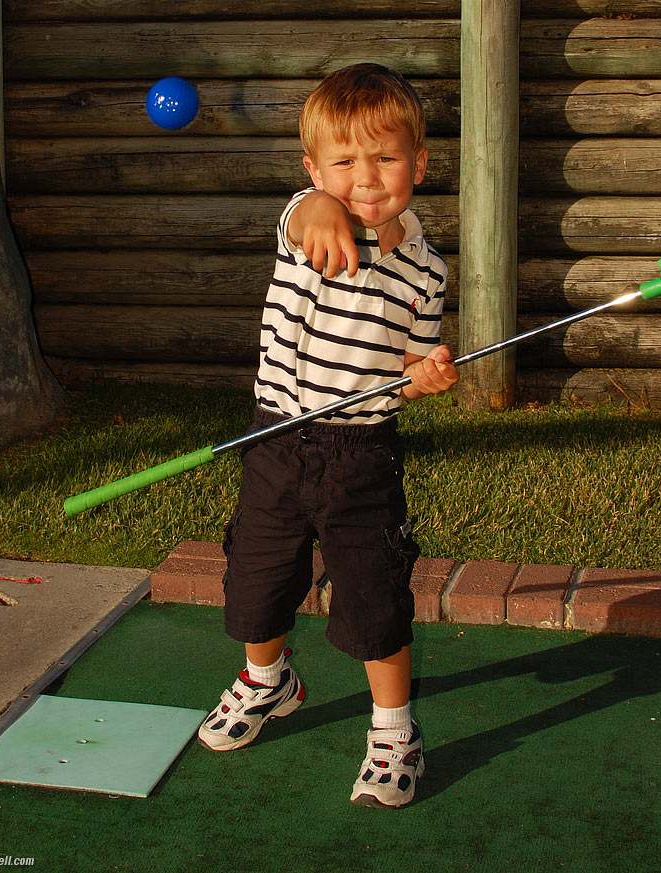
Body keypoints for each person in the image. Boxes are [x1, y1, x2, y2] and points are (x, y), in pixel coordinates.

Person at [198, 63, 459, 808]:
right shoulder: (304, 220)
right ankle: (267, 679)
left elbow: (406, 362)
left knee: (375, 599)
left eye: (385, 157)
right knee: (257, 583)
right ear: (313, 170)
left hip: (362, 453)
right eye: (343, 162)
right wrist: (318, 205)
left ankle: (393, 730)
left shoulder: (426, 272)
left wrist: (427, 375)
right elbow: (308, 214)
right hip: (277, 440)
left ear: (419, 163)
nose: (366, 178)